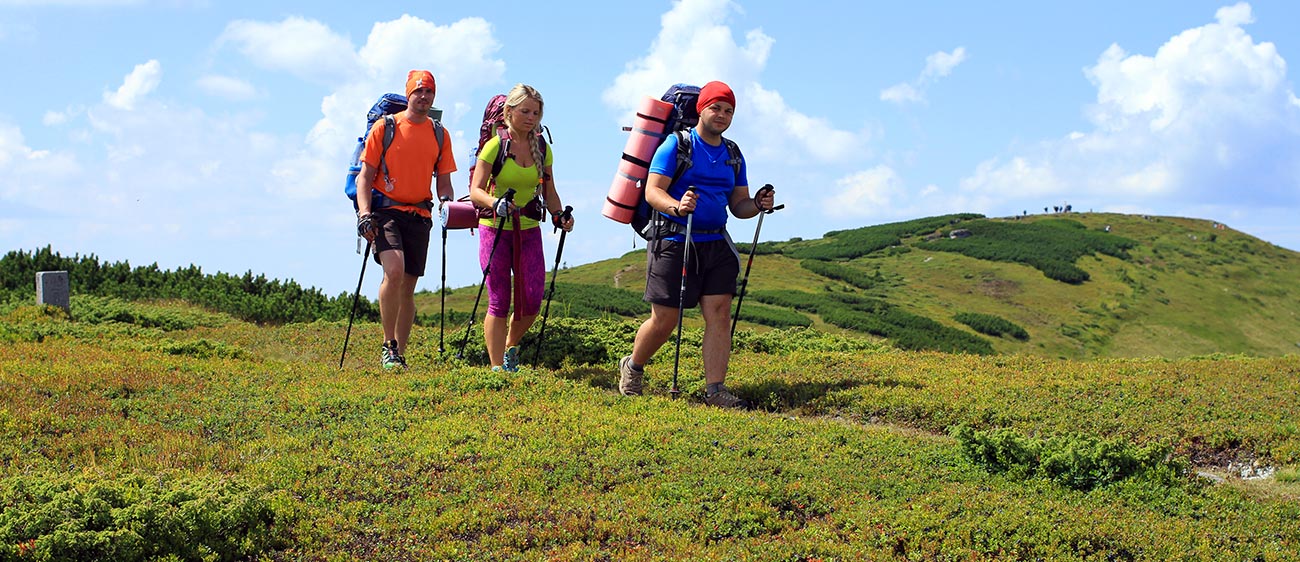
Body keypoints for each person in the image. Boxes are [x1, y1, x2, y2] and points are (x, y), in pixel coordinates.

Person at [618, 80, 775, 408]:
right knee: (665, 318)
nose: (722, 115)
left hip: (716, 242)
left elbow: (738, 205)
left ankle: (716, 390)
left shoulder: (732, 153)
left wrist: (757, 204)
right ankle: (633, 367)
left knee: (718, 314)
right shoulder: (676, 146)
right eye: (716, 107)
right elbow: (652, 191)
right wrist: (677, 206)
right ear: (701, 109)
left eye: (729, 110)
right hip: (674, 239)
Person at [467, 83, 574, 372]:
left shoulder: (542, 148)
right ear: (509, 112)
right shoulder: (494, 146)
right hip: (495, 227)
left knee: (532, 300)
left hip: (528, 228)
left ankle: (509, 347)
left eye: (536, 112)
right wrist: (495, 202)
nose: (531, 117)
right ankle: (497, 368)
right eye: (525, 111)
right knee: (499, 299)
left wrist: (558, 214)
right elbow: (476, 190)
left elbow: (550, 192)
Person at [356, 69, 456, 369]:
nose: (423, 97)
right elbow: (365, 177)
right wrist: (364, 215)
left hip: (420, 214)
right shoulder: (386, 128)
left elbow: (444, 182)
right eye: (418, 91)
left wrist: (448, 203)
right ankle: (388, 345)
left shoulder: (439, 133)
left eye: (429, 92)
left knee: (408, 286)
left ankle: (399, 352)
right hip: (385, 212)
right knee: (395, 271)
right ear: (409, 93)